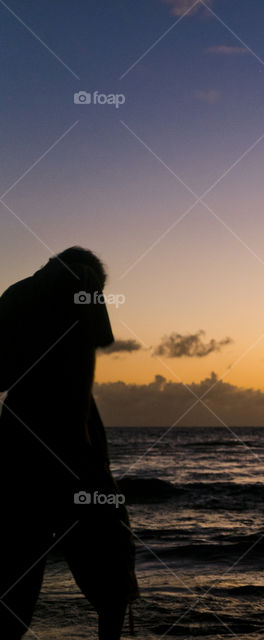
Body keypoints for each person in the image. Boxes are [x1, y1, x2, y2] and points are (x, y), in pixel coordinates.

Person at [0, 247, 139, 639]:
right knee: (111, 570)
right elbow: (93, 342)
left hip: (16, 444)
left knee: (15, 580)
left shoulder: (13, 295)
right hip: (67, 446)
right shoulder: (80, 277)